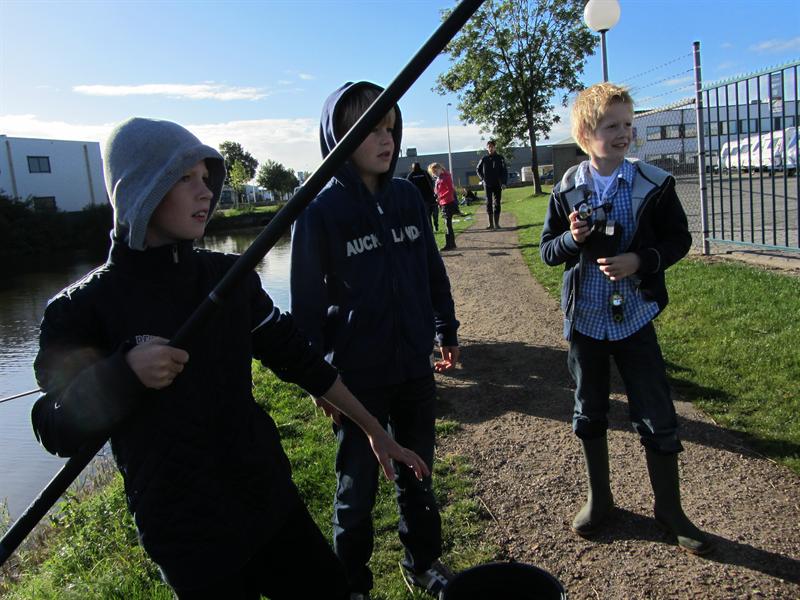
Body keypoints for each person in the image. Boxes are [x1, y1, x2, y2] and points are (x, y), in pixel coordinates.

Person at [31, 117, 431, 599]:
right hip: (187, 536)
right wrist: (124, 373)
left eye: (206, 177)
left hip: (269, 501)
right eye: (184, 177)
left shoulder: (229, 276)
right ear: (139, 189)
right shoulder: (82, 308)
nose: (205, 191)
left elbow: (298, 357)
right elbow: (54, 425)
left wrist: (373, 430)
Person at [290, 82, 461, 600]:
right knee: (356, 490)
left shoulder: (409, 198)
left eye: (391, 128)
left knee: (418, 474)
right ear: (338, 138)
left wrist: (445, 328)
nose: (386, 140)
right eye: (371, 130)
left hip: (413, 369)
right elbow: (305, 307)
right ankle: (352, 583)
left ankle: (422, 562)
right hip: (355, 379)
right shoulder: (318, 211)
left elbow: (431, 270)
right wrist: (318, 379)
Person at [539, 83, 711, 555]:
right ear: (585, 134)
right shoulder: (567, 189)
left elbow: (679, 240)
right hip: (586, 321)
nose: (623, 134)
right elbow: (548, 251)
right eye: (611, 125)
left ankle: (670, 510)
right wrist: (573, 240)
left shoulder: (654, 183)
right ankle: (601, 500)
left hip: (635, 317)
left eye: (628, 125)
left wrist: (641, 261)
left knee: (655, 410)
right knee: (589, 408)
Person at [476, 139, 508, 229]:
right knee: (488, 203)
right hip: (487, 184)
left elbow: (504, 171)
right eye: (489, 147)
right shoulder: (484, 159)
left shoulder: (500, 158)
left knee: (497, 203)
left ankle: (497, 224)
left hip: (498, 184)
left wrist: (504, 182)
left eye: (492, 147)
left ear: (495, 147)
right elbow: (478, 169)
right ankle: (491, 224)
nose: (490, 148)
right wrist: (482, 178)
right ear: (487, 148)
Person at [428, 162, 458, 251]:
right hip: (443, 202)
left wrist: (440, 197)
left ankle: (450, 244)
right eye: (433, 172)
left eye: (435, 171)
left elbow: (450, 190)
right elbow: (437, 190)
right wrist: (437, 196)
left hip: (448, 202)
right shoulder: (439, 178)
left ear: (440, 168)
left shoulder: (446, 177)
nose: (434, 174)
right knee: (447, 224)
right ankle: (451, 244)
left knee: (447, 224)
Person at [406, 161, 439, 232]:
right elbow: (407, 186)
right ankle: (432, 228)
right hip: (423, 198)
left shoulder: (421, 173)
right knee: (429, 214)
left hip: (428, 197)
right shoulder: (413, 175)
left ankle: (435, 225)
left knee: (432, 214)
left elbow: (431, 182)